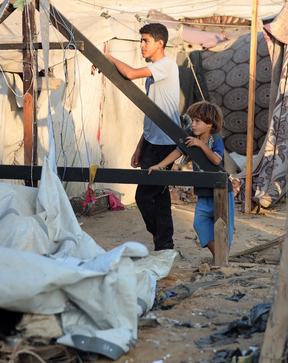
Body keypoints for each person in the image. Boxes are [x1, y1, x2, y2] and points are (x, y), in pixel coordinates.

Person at [92, 23, 180, 251]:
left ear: (160, 43)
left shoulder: (166, 65)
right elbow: (153, 114)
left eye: (145, 41)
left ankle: (162, 239)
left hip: (166, 144)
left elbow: (130, 74)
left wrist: (108, 58)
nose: (141, 46)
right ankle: (164, 245)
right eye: (141, 40)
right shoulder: (155, 71)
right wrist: (140, 147)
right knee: (159, 199)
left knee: (143, 196)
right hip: (153, 142)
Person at [148, 101, 234, 261]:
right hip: (203, 192)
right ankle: (221, 257)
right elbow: (177, 152)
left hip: (221, 191)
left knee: (223, 227)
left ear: (209, 124)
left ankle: (222, 259)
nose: (193, 124)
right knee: (199, 223)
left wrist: (201, 145)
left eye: (197, 121)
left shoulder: (215, 139)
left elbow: (216, 160)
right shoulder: (192, 137)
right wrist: (160, 165)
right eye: (192, 120)